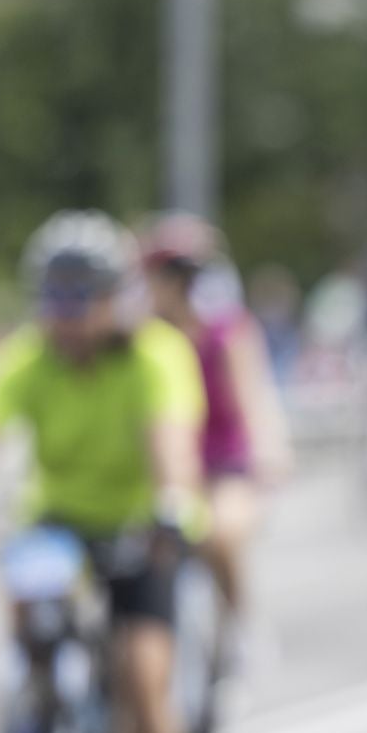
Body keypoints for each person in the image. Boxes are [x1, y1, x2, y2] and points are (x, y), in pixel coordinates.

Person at [0, 212, 207, 733]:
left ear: (116, 297)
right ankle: (41, 709)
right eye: (56, 298)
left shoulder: (154, 354)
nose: (69, 315)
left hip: (143, 527)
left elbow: (170, 442)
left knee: (143, 676)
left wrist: (172, 507)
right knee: (27, 592)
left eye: (83, 297)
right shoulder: (26, 357)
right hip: (61, 523)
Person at [142, 213, 293, 663]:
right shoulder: (141, 339)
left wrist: (269, 448)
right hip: (164, 466)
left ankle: (240, 621)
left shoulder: (226, 330)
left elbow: (252, 393)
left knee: (221, 534)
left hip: (223, 461)